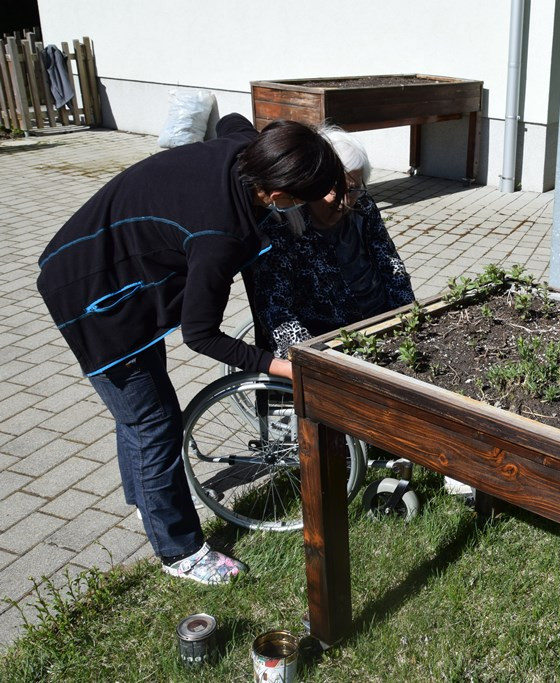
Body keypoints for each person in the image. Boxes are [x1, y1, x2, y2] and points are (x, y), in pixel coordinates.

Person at [36, 114, 343, 585]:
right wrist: (275, 365)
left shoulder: (246, 149)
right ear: (277, 196)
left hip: (110, 266)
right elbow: (199, 335)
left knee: (138, 413)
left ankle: (148, 505)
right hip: (92, 295)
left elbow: (232, 120)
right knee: (154, 423)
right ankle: (179, 550)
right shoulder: (220, 235)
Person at [249, 125, 415, 358]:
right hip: (327, 340)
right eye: (333, 189)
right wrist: (314, 358)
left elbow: (390, 263)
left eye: (354, 188)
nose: (345, 200)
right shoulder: (283, 228)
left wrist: (407, 318)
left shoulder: (363, 205)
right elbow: (275, 309)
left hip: (379, 321)